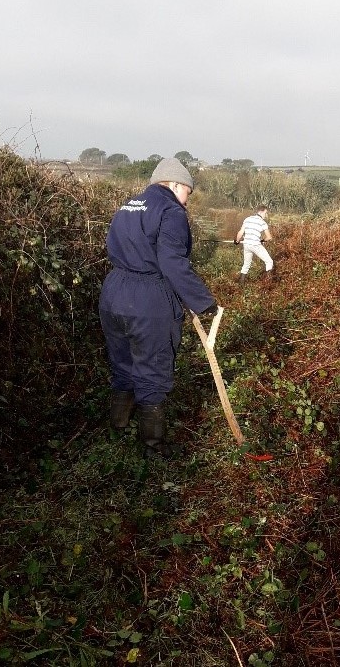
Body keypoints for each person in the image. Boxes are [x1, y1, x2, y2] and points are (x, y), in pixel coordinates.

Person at [99, 158, 218, 458]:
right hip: (148, 299)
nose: (187, 202)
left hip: (113, 294)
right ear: (176, 184)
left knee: (123, 364)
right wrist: (204, 302)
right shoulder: (170, 211)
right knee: (151, 370)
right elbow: (171, 262)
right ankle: (153, 450)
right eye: (188, 193)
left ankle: (118, 431)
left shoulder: (128, 205)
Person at [235, 204, 273, 284]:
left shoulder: (247, 219)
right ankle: (268, 284)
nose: (266, 215)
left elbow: (241, 232)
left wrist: (237, 240)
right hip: (255, 245)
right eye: (266, 213)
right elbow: (269, 237)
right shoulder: (263, 223)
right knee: (269, 262)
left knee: (246, 264)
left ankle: (241, 284)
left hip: (246, 245)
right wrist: (262, 240)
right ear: (261, 212)